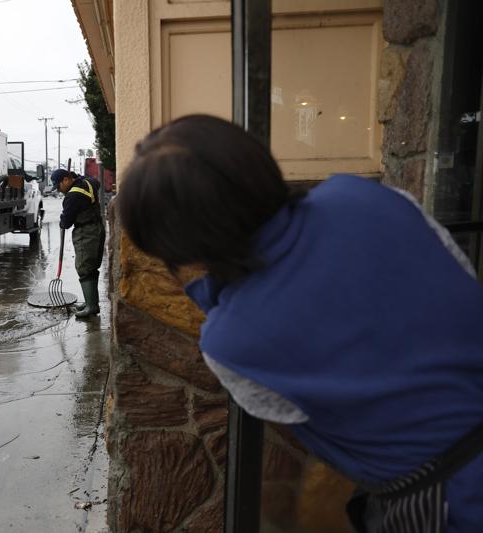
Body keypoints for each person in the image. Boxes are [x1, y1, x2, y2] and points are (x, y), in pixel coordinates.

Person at [116, 114, 483, 533]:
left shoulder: (231, 344)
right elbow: (458, 272)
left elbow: (308, 417)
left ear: (179, 245)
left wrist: (212, 293)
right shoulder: (363, 195)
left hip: (447, 501)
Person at [51, 168, 106, 318]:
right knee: (91, 266)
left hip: (85, 233)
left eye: (58, 186)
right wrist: (77, 177)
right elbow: (96, 182)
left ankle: (91, 306)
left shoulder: (72, 196)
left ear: (66, 180)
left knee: (84, 267)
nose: (58, 190)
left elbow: (66, 222)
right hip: (98, 228)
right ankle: (91, 302)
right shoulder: (88, 183)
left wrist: (62, 220)